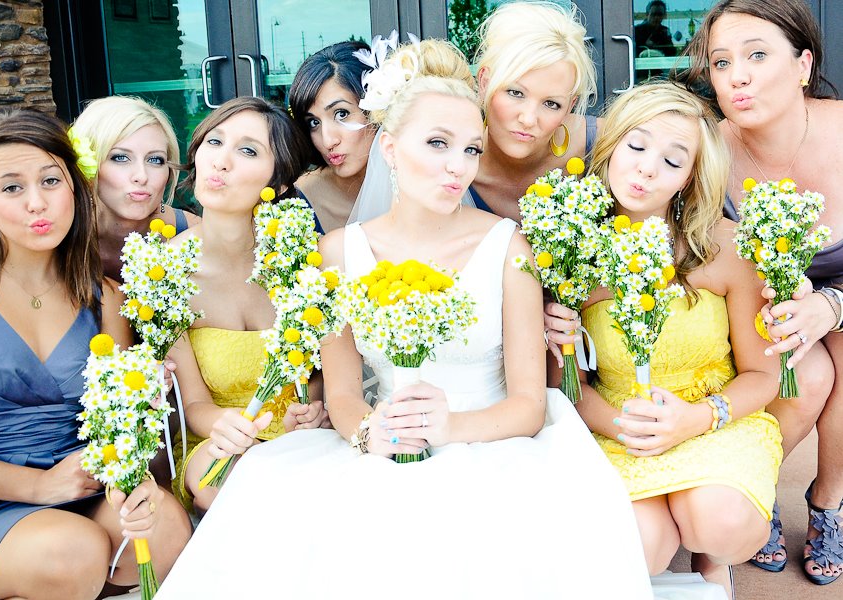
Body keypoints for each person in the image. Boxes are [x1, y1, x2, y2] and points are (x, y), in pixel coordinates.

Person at [157, 39, 652, 600]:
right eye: (437, 144)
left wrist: (449, 430)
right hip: (380, 440)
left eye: (470, 149)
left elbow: (528, 404)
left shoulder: (510, 247)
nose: (455, 166)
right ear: (390, 148)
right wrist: (372, 434)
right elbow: (343, 394)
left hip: (494, 443)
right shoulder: (339, 254)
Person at [0, 108, 190, 599]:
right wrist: (39, 488)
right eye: (12, 187)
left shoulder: (105, 298)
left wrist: (130, 466)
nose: (38, 203)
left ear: (75, 188)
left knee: (165, 528)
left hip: (81, 490)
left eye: (51, 181)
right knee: (69, 551)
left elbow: (116, 424)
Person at [574, 82, 783, 596]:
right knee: (638, 547)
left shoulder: (726, 249)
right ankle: (666, 535)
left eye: (672, 160)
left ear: (691, 176)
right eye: (637, 146)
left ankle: (712, 559)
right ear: (611, 146)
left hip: (714, 420)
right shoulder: (572, 248)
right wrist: (628, 427)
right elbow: (571, 385)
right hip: (619, 428)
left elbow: (762, 376)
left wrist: (696, 418)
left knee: (720, 521)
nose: (647, 169)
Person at [682, 0, 843, 583]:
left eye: (756, 55)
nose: (737, 76)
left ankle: (829, 500)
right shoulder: (707, 150)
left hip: (838, 302)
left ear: (802, 66)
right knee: (809, 376)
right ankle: (759, 487)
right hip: (760, 307)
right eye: (722, 63)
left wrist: (830, 306)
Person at [168, 96, 328, 515]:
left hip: (301, 438)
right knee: (241, 482)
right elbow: (193, 405)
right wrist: (224, 426)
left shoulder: (297, 259)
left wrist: (313, 409)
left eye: (248, 150)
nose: (221, 161)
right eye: (214, 142)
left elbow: (318, 372)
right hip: (218, 443)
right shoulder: (163, 273)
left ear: (278, 181)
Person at [470, 1, 600, 364]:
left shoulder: (601, 149)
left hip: (593, 358)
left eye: (551, 104)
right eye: (515, 92)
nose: (529, 118)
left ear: (571, 105)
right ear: (484, 81)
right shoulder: (451, 170)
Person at [70, 95, 200, 282]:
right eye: (121, 158)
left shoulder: (195, 235)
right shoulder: (60, 239)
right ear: (86, 164)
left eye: (155, 160)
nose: (142, 176)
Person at [289, 40, 376, 233]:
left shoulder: (421, 183)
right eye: (314, 123)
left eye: (341, 114)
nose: (328, 141)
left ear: (377, 110)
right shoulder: (298, 201)